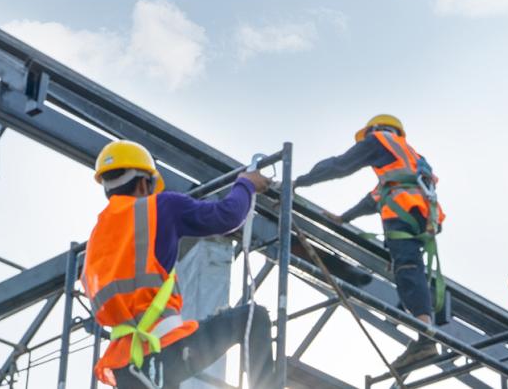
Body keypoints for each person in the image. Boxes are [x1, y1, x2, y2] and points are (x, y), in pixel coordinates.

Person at [82, 140, 275, 388]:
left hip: (125, 368)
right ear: (143, 183)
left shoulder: (96, 239)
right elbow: (228, 216)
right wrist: (246, 184)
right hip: (164, 350)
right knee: (253, 317)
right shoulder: (161, 207)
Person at [294, 114, 445, 370]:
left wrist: (300, 181)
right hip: (420, 216)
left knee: (408, 268)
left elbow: (341, 165)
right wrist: (344, 218)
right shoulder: (409, 159)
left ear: (375, 130)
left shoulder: (378, 140)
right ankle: (423, 335)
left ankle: (425, 334)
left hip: (404, 213)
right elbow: (375, 198)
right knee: (407, 265)